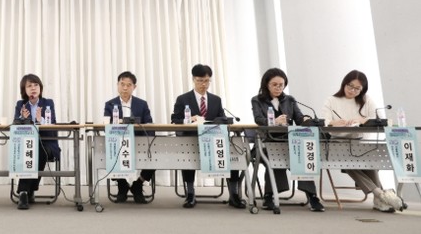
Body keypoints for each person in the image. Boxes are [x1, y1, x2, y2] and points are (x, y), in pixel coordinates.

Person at [321, 70, 405, 212]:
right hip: (338, 142)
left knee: (370, 161)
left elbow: (379, 118)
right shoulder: (331, 100)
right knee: (348, 162)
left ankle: (379, 200)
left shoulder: (366, 100)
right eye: (350, 86)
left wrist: (361, 120)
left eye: (357, 89)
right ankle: (381, 194)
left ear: (362, 89)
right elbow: (324, 121)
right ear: (344, 83)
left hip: (359, 140)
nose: (352, 91)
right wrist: (334, 122)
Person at [171, 64, 245, 209]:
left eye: (206, 81)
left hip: (213, 140)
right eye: (200, 81)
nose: (203, 84)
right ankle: (190, 193)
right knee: (188, 155)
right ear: (193, 79)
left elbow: (222, 118)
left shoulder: (216, 100)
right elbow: (175, 120)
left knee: (232, 153)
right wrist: (189, 119)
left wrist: (222, 120)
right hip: (192, 140)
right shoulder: (183, 99)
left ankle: (234, 194)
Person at [251, 67, 325, 212]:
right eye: (274, 85)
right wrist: (274, 121)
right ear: (266, 84)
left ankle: (312, 196)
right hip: (267, 142)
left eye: (281, 85)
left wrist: (307, 119)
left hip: (290, 142)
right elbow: (258, 119)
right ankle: (269, 195)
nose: (278, 88)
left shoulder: (289, 100)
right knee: (273, 155)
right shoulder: (257, 100)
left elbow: (299, 119)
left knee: (302, 154)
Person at [103, 71, 155, 204]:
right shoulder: (110, 104)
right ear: (117, 85)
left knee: (155, 156)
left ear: (134, 87)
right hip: (118, 143)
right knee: (109, 153)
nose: (125, 88)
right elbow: (106, 125)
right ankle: (122, 185)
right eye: (122, 84)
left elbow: (149, 124)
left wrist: (148, 143)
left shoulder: (142, 104)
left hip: (139, 143)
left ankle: (138, 184)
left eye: (128, 85)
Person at [13, 73, 61, 210]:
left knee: (37, 150)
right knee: (32, 150)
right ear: (24, 90)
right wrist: (22, 119)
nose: (33, 88)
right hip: (27, 144)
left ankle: (24, 191)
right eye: (29, 86)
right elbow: (15, 126)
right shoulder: (21, 105)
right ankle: (28, 191)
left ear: (40, 88)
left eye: (36, 85)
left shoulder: (48, 103)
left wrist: (41, 121)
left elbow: (52, 126)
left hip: (47, 143)